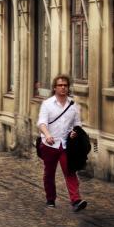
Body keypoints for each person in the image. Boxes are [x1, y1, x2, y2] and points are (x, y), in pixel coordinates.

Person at [37, 74, 87, 212]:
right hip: (50, 145)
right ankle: (50, 199)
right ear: (55, 88)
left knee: (70, 171)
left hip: (66, 145)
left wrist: (74, 132)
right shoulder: (47, 104)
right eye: (60, 85)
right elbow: (41, 123)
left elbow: (77, 124)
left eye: (65, 85)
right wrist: (47, 135)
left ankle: (76, 200)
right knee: (49, 173)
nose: (63, 87)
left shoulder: (73, 105)